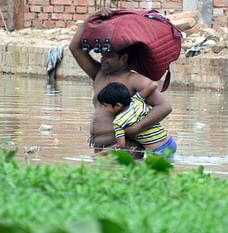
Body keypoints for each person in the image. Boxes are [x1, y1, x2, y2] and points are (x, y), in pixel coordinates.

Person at [69, 7, 172, 158]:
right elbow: (75, 48)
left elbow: (164, 107)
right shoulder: (99, 74)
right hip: (101, 148)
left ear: (123, 58)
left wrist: (136, 129)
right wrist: (90, 19)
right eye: (102, 55)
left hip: (125, 148)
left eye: (109, 56)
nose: (103, 59)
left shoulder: (134, 80)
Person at [97, 82, 176, 158]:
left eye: (106, 105)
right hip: (170, 141)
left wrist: (103, 152)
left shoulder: (118, 122)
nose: (105, 109)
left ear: (118, 105)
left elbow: (121, 145)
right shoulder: (136, 99)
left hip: (157, 150)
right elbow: (154, 85)